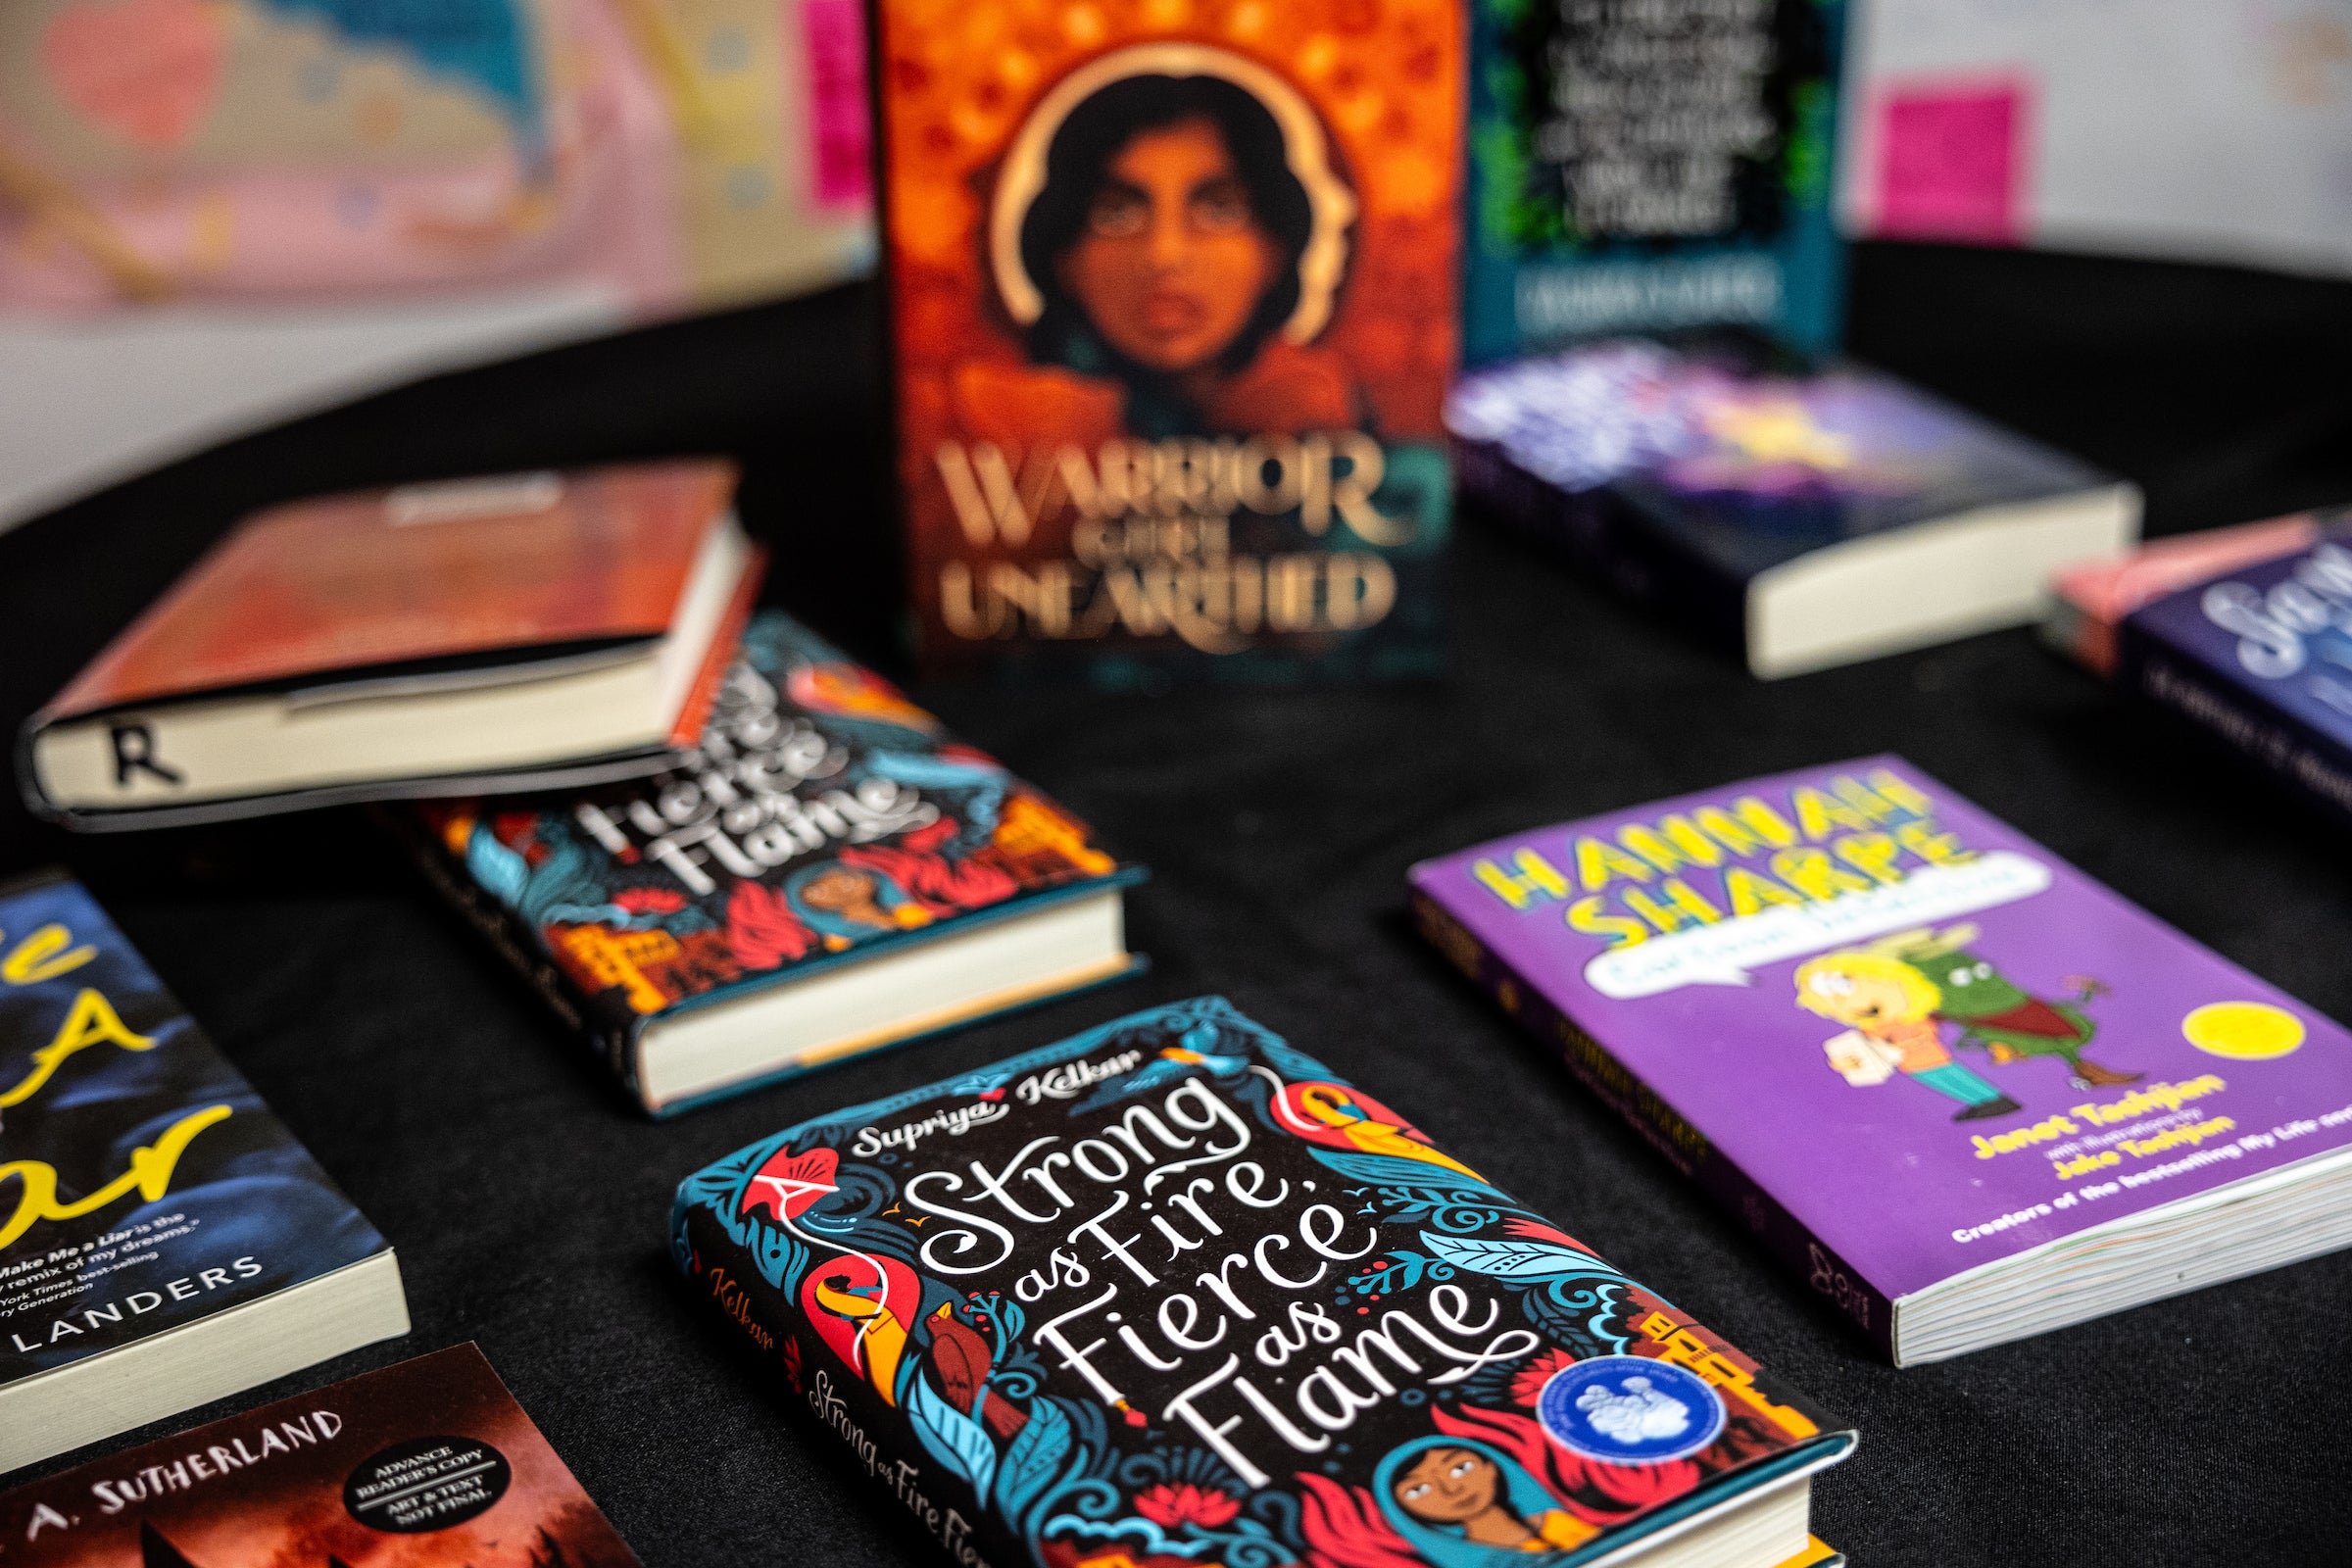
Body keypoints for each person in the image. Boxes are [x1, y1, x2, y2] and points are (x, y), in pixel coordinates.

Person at [993, 72, 1354, 440]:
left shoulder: (1330, 424)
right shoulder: (997, 430)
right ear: (1063, 257)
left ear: (1275, 250)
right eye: (1115, 214)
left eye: (1220, 210)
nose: (1164, 255)